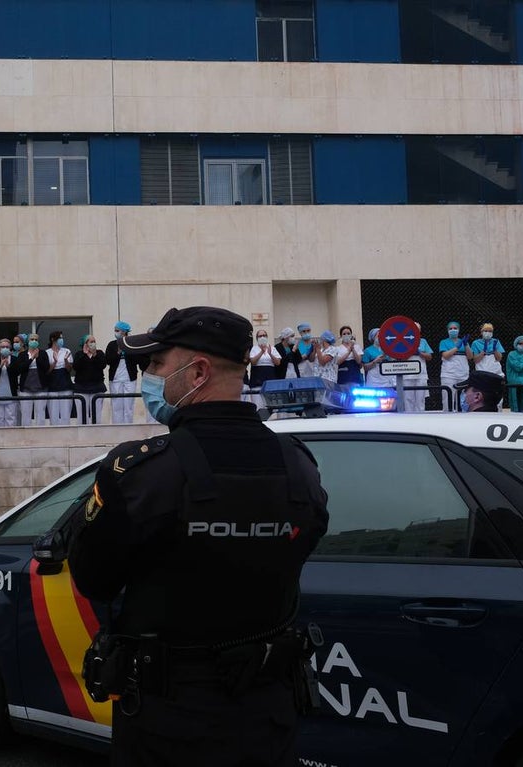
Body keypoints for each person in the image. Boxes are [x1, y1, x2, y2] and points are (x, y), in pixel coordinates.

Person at [67, 306, 329, 766]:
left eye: (154, 365)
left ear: (198, 373)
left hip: (169, 722)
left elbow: (92, 577)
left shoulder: (143, 471)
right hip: (268, 717)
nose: (146, 376)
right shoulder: (298, 466)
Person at [105, 321, 139, 425]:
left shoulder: (132, 344)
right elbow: (108, 361)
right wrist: (118, 352)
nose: (115, 332)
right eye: (115, 330)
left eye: (117, 330)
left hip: (130, 379)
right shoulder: (112, 345)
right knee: (116, 406)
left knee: (129, 406)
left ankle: (128, 427)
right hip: (115, 379)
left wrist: (127, 348)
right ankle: (117, 428)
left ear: (124, 332)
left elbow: (137, 359)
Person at [14, 332, 50, 426]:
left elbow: (46, 368)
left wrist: (37, 358)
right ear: (28, 341)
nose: (34, 341)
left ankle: (40, 436)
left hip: (41, 388)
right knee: (26, 415)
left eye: (36, 340)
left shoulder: (43, 353)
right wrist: (31, 359)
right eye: (32, 339)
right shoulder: (22, 354)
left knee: (40, 414)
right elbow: (19, 369)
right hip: (26, 389)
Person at [73, 334, 107, 424]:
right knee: (81, 414)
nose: (93, 343)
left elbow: (103, 365)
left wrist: (94, 354)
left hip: (97, 387)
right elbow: (76, 367)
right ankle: (82, 434)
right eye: (91, 342)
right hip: (81, 388)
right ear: (85, 343)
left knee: (96, 414)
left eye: (94, 341)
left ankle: (96, 433)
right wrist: (84, 354)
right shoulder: (79, 354)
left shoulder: (99, 353)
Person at [438, 321, 469, 412]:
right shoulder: (444, 342)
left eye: (455, 328)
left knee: (463, 398)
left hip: (463, 373)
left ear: (459, 330)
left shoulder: (463, 342)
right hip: (449, 374)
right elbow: (445, 355)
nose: (453, 330)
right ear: (447, 330)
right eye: (450, 328)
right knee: (448, 397)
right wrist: (457, 347)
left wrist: (466, 345)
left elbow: (470, 356)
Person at [246, 328, 281, 408]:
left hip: (270, 380)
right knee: (258, 405)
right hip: (257, 380)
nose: (262, 337)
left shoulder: (272, 348)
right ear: (257, 338)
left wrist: (270, 354)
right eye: (260, 336)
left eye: (264, 335)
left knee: (270, 406)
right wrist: (262, 351)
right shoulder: (254, 349)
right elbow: (253, 362)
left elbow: (278, 362)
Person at [0, 338, 19, 427]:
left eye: (7, 347)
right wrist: (0, 366)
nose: (5, 348)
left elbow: (16, 373)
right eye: (2, 347)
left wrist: (8, 366)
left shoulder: (14, 359)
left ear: (10, 349)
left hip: (11, 393)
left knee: (11, 418)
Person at [46, 330, 74, 425]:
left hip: (65, 385)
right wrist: (54, 362)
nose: (62, 340)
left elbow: (69, 369)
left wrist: (66, 361)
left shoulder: (67, 351)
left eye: (62, 338)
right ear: (53, 339)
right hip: (52, 386)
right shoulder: (47, 353)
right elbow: (46, 371)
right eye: (60, 338)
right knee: (53, 416)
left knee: (66, 416)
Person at [404, 323, 433, 413]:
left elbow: (429, 357)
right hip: (407, 374)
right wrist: (410, 352)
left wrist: (420, 353)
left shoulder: (423, 341)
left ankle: (420, 419)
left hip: (421, 374)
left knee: (420, 400)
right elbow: (400, 357)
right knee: (408, 399)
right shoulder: (403, 341)